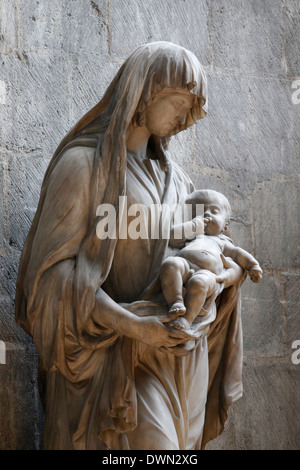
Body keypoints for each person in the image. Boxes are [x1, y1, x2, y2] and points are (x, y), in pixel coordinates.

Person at [15, 41, 245, 450]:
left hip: (181, 363)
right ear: (146, 90)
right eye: (179, 103)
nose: (186, 119)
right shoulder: (83, 166)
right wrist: (135, 325)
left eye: (192, 109)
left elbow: (208, 250)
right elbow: (48, 283)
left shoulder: (181, 183)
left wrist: (229, 275)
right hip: (116, 363)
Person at [159, 189, 262, 330]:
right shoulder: (192, 234)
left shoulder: (221, 242)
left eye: (214, 211)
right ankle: (176, 302)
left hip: (207, 274)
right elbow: (172, 236)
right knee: (170, 264)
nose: (206, 214)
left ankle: (186, 319)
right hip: (186, 264)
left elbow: (238, 254)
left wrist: (252, 266)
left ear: (225, 224)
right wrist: (194, 225)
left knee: (199, 283)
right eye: (199, 211)